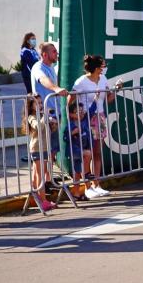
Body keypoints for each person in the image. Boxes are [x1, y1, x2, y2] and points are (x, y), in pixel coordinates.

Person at [72, 54, 122, 198]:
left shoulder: (103, 79)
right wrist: (76, 117)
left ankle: (96, 184)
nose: (105, 68)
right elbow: (70, 100)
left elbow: (109, 99)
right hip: (86, 119)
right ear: (96, 67)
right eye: (103, 65)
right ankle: (87, 187)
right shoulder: (81, 81)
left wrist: (116, 88)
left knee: (97, 152)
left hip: (99, 117)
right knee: (86, 153)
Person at [30, 42, 67, 190]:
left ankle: (48, 180)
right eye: (53, 52)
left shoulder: (51, 67)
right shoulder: (38, 68)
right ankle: (38, 186)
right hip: (43, 116)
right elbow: (44, 81)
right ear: (44, 54)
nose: (56, 54)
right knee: (42, 153)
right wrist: (56, 89)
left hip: (53, 114)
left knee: (51, 151)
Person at [23, 96, 56, 212]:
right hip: (37, 148)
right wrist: (45, 117)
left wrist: (53, 123)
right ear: (31, 106)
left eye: (41, 102)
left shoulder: (42, 115)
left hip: (45, 147)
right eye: (37, 103)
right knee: (40, 174)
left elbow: (48, 129)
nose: (41, 105)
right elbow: (38, 126)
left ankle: (37, 196)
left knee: (40, 172)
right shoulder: (31, 117)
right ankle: (43, 200)